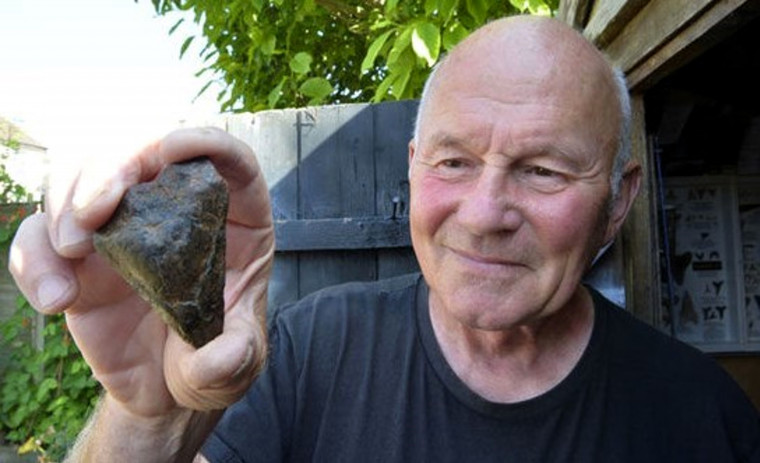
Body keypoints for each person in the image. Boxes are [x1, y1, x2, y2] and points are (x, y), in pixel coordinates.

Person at [9, 15, 759, 462]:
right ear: (412, 166)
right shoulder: (306, 354)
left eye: (540, 169)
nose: (483, 211)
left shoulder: (705, 418)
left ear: (619, 200)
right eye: (454, 160)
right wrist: (147, 419)